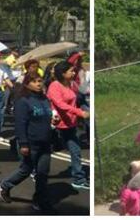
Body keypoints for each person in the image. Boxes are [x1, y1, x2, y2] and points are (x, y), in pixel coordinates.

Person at [0, 70, 56, 212]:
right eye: (34, 81)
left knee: (42, 173)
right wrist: (23, 143)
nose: (38, 84)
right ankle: (4, 185)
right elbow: (20, 123)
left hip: (45, 142)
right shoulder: (23, 101)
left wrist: (53, 120)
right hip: (30, 142)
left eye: (40, 81)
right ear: (27, 84)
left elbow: (46, 115)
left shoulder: (44, 99)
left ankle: (40, 201)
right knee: (26, 169)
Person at [47, 61, 90, 191]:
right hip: (56, 124)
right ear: (62, 73)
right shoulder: (54, 86)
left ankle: (79, 179)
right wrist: (80, 112)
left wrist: (78, 115)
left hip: (70, 124)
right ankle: (34, 170)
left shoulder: (70, 84)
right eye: (71, 71)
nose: (74, 72)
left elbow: (75, 101)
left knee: (75, 151)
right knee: (45, 150)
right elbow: (60, 104)